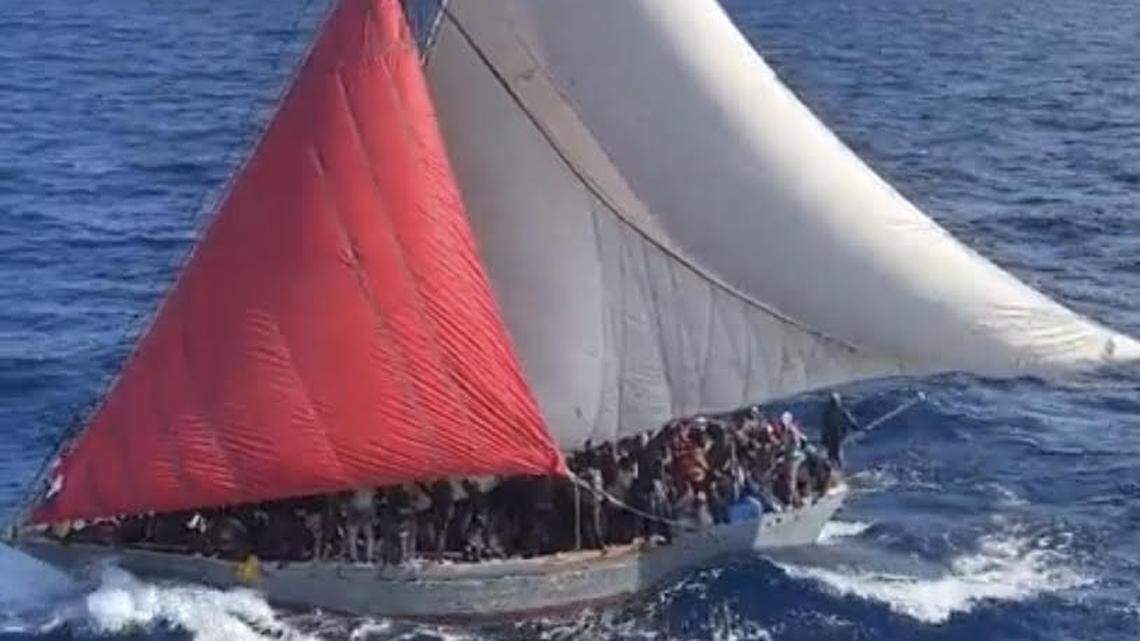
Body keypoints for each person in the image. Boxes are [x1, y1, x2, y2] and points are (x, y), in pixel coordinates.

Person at [821, 391, 861, 467]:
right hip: (833, 436)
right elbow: (851, 422)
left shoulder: (830, 412)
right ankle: (837, 469)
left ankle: (836, 468)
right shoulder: (838, 411)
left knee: (835, 452)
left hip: (836, 436)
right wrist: (856, 427)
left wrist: (856, 427)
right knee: (835, 453)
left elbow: (850, 421)